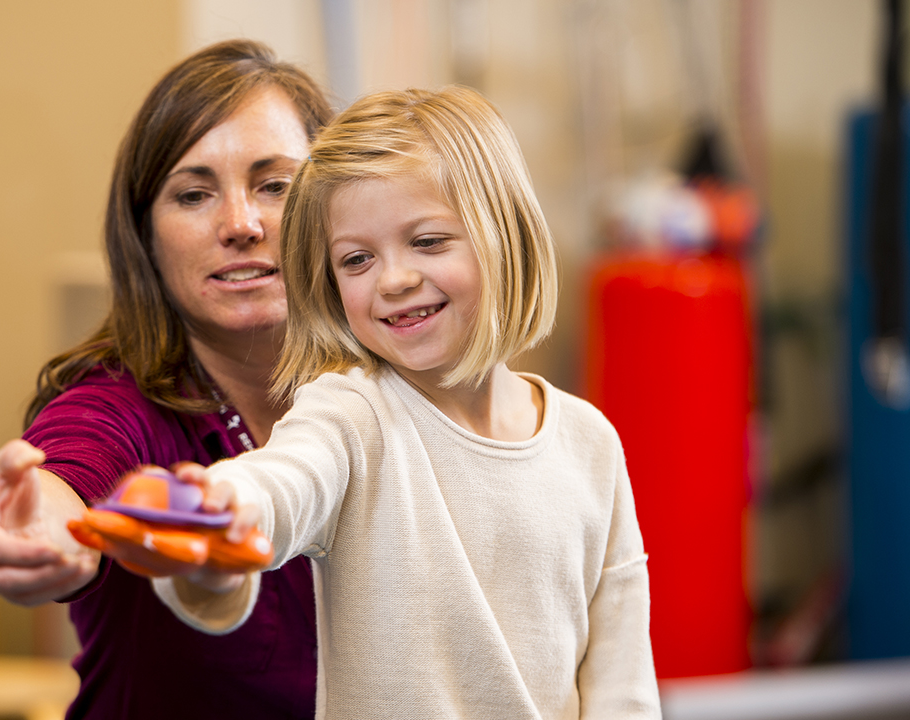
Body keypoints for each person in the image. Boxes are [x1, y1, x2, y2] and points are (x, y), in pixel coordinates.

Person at [135, 86, 662, 718]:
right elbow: (281, 484)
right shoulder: (350, 414)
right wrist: (222, 515)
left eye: (429, 241)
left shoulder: (590, 443)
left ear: (505, 235)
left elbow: (622, 685)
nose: (393, 279)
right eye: (356, 259)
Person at [0, 40, 332, 719]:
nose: (240, 224)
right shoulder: (116, 404)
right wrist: (39, 529)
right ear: (146, 238)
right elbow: (66, 473)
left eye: (275, 185)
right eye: (193, 194)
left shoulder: (384, 399)